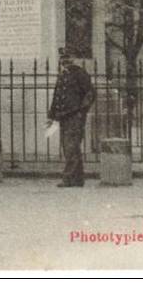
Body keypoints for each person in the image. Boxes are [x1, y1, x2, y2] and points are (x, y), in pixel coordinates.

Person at [47, 47, 96, 187]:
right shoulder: (63, 75)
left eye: (67, 58)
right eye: (62, 58)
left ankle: (68, 178)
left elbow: (90, 94)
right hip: (64, 116)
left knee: (71, 147)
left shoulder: (80, 74)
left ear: (73, 59)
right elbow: (57, 96)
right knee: (69, 147)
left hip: (74, 116)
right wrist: (52, 114)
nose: (64, 60)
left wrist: (82, 111)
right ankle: (78, 179)